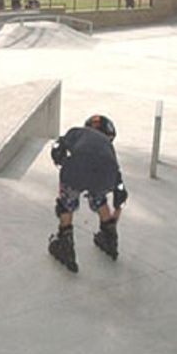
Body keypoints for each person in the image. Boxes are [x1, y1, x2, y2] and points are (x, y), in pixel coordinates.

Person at [48, 115, 129, 273]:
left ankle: (65, 240)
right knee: (99, 198)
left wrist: (61, 160)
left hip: (77, 169)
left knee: (66, 203)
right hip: (106, 174)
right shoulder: (108, 147)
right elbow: (117, 178)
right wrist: (119, 198)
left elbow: (58, 145)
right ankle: (109, 235)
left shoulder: (77, 132)